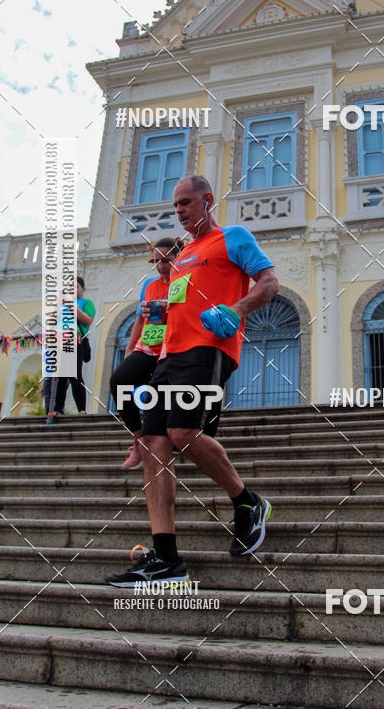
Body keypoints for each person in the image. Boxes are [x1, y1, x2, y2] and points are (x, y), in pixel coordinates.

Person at [105, 175, 279, 587]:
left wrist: (236, 310)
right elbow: (181, 306)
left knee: (183, 431)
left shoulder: (232, 238)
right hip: (169, 356)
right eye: (175, 205)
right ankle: (166, 559)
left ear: (207, 199)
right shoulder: (181, 256)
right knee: (154, 443)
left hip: (209, 349)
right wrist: (161, 314)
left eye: (186, 202)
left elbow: (270, 283)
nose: (180, 210)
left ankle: (248, 503)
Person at [110, 237, 182, 468]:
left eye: (167, 261)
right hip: (147, 346)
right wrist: (131, 348)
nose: (161, 266)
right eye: (157, 261)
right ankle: (139, 440)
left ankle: (172, 440)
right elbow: (140, 319)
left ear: (178, 259)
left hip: (172, 348)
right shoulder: (150, 285)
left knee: (160, 397)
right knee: (119, 381)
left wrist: (168, 312)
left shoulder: (185, 281)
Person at [45, 277, 95, 422]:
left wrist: (72, 306)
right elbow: (52, 323)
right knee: (60, 377)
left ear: (83, 288)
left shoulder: (86, 303)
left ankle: (81, 410)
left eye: (76, 287)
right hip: (58, 342)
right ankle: (57, 409)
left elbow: (87, 320)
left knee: (75, 376)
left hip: (75, 340)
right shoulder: (61, 306)